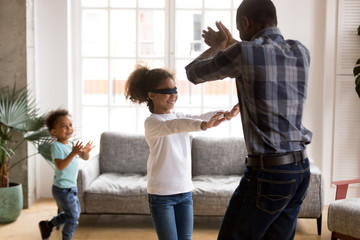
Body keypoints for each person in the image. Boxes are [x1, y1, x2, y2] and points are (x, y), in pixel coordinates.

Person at [185, 0, 313, 239]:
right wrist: (231, 43)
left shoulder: (243, 53)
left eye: (240, 29)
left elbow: (193, 73)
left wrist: (219, 46)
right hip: (300, 172)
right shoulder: (300, 51)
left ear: (245, 22)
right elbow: (259, 54)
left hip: (269, 174)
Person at [124, 65, 239, 240]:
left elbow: (197, 118)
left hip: (184, 192)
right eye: (167, 91)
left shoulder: (177, 115)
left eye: (175, 90)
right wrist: (203, 126)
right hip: (161, 195)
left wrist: (225, 115)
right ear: (151, 95)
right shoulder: (152, 123)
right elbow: (177, 126)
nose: (173, 95)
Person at [39, 109, 95, 240]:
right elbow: (60, 166)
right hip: (62, 189)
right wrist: (73, 153)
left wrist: (85, 152)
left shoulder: (70, 144)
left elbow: (84, 157)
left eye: (70, 125)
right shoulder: (56, 147)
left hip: (71, 187)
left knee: (73, 214)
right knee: (73, 217)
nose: (69, 128)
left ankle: (48, 225)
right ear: (54, 132)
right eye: (64, 126)